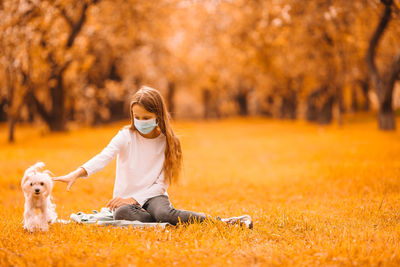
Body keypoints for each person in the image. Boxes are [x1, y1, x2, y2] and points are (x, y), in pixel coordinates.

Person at [53, 86, 253, 229]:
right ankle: (167, 225)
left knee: (164, 212)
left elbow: (161, 184)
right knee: (121, 213)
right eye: (136, 117)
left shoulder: (169, 142)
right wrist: (77, 173)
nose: (141, 122)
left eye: (146, 118)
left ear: (158, 115)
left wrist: (136, 198)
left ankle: (224, 222)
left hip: (154, 196)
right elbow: (103, 157)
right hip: (128, 203)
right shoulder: (125, 136)